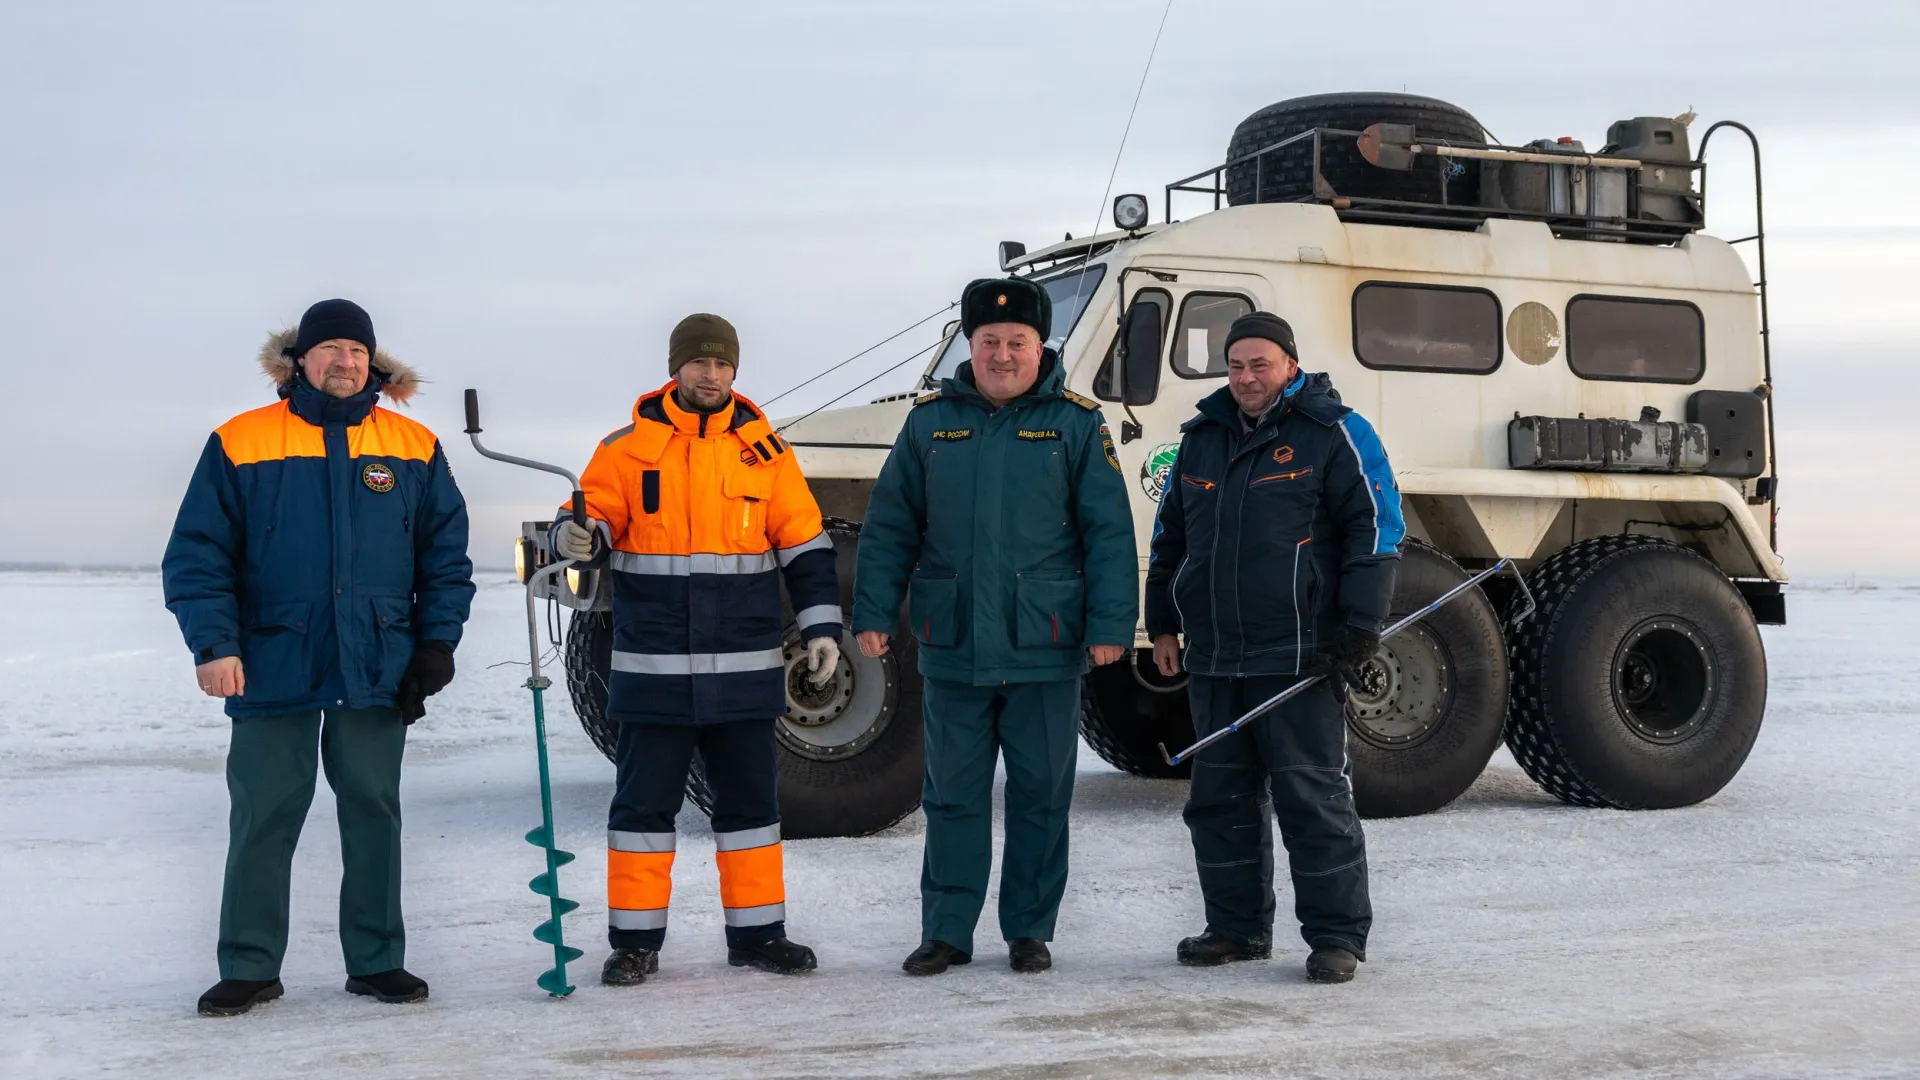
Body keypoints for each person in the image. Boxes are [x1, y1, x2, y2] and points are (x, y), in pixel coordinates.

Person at [163, 299, 475, 1016]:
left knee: (373, 808)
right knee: (265, 812)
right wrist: (215, 645)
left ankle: (376, 960)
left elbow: (446, 559)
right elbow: (196, 556)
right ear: (298, 358)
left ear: (375, 362)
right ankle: (248, 964)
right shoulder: (241, 442)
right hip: (271, 661)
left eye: (358, 351)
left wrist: (435, 644)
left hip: (377, 661)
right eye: (331, 348)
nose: (346, 362)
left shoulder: (413, 446)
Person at [853, 277, 1138, 976]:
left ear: (1042, 348)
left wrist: (1109, 624)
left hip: (1046, 643)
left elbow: (1109, 533)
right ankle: (946, 931)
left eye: (1017, 342)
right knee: (951, 797)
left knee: (1041, 797)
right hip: (954, 647)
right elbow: (891, 526)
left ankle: (1029, 931)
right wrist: (871, 614)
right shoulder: (928, 424)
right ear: (969, 347)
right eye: (990, 342)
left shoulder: (1076, 423)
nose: (1003, 354)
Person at [550, 313, 840, 985]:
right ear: (675, 368)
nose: (711, 375)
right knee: (642, 812)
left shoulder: (765, 452)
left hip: (744, 672)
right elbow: (590, 524)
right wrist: (574, 535)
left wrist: (823, 627)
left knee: (750, 811)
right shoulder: (625, 450)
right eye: (699, 363)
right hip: (653, 672)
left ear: (735, 371)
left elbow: (805, 544)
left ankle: (760, 935)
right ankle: (634, 944)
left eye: (722, 365)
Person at [1144, 311, 1402, 984]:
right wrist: (1162, 623)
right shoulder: (1199, 440)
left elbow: (1375, 529)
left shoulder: (1335, 433)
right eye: (1236, 366)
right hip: (1215, 656)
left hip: (1300, 656)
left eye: (1260, 364)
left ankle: (1336, 938)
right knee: (1217, 804)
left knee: (1312, 799)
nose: (1247, 377)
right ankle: (1235, 929)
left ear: (1290, 364)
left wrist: (1358, 626)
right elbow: (1171, 539)